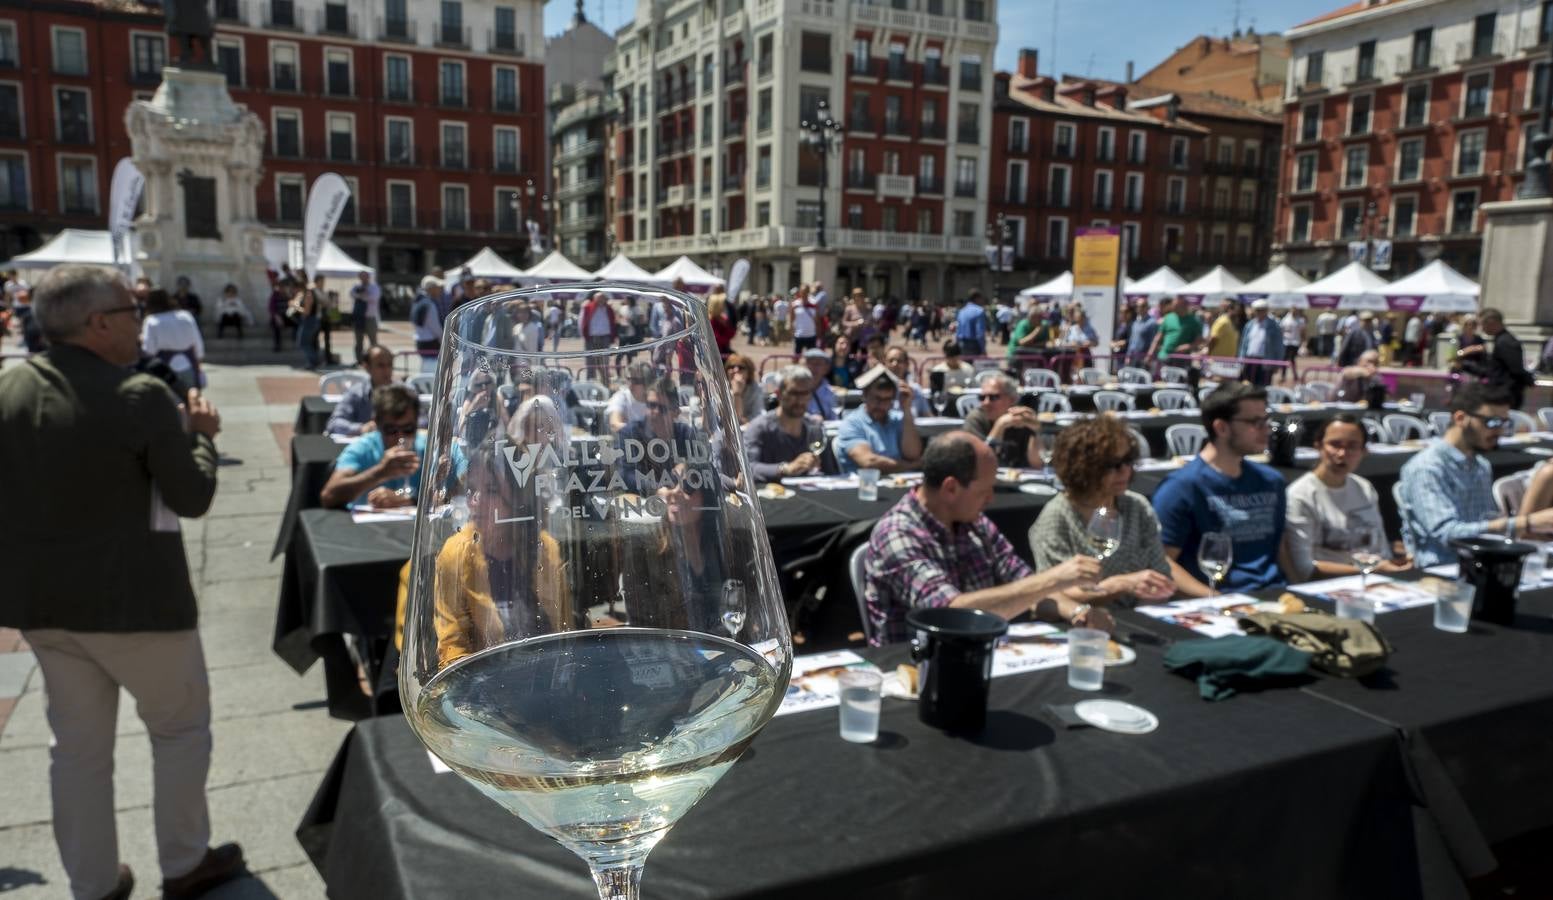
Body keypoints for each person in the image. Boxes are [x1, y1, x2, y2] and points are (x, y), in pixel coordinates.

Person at [0, 265, 244, 900]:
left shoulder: (10, 388)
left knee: (75, 752)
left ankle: (94, 883)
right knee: (180, 731)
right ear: (98, 322)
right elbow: (191, 496)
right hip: (139, 603)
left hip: (45, 605)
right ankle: (186, 863)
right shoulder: (138, 394)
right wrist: (204, 439)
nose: (141, 321)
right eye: (131, 311)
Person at [862, 432, 1109, 645]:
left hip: (980, 653)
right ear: (950, 489)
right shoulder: (897, 534)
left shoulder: (976, 524)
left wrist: (1077, 612)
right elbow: (950, 614)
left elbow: (1024, 586)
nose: (991, 499)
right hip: (917, 667)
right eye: (984, 490)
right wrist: (1054, 578)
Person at [1152, 382, 1291, 595]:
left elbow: (1281, 550)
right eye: (1255, 422)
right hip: (1220, 601)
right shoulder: (1182, 487)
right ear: (1221, 428)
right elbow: (1161, 560)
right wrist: (1215, 599)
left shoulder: (1271, 481)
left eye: (1266, 419)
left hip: (1276, 595)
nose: (1266, 428)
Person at [1398, 382, 1553, 566]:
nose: (1500, 431)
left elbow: (1485, 523)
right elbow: (1446, 534)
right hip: (1442, 569)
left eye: (1504, 422)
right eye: (1492, 422)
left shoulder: (1480, 465)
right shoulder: (1427, 468)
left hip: (1482, 564)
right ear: (1461, 418)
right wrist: (1523, 523)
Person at [1029, 416, 1176, 605]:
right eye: (1113, 465)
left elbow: (1160, 573)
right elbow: (1053, 593)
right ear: (1083, 467)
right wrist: (1117, 586)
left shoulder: (1136, 507)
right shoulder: (1057, 517)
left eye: (1128, 461)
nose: (1125, 470)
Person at [1284, 413, 1408, 581]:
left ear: (1363, 451)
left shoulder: (1364, 488)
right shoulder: (1301, 495)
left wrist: (1396, 563)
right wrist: (1373, 570)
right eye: (1335, 445)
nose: (1342, 454)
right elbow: (1305, 568)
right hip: (1330, 585)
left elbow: (1381, 548)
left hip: (1377, 580)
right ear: (1318, 446)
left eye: (1352, 446)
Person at [321, 384, 424, 509]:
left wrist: (409, 501)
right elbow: (328, 496)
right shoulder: (363, 448)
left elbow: (451, 496)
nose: (400, 437)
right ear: (377, 424)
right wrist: (380, 472)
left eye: (408, 429)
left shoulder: (429, 449)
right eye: (391, 429)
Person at [743, 365, 830, 483]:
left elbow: (830, 471)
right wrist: (786, 469)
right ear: (778, 394)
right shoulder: (759, 428)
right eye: (793, 393)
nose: (800, 400)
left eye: (805, 393)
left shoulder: (814, 427)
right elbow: (747, 469)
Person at [835, 373, 922, 474]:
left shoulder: (899, 419)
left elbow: (912, 454)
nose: (881, 405)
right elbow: (869, 462)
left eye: (887, 400)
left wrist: (906, 409)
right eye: (877, 398)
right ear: (865, 395)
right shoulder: (851, 423)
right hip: (864, 487)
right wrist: (911, 466)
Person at [962, 372, 1044, 468]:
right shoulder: (975, 419)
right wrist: (999, 426)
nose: (986, 403)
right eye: (982, 397)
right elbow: (981, 462)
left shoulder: (1022, 418)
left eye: (993, 397)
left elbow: (1037, 464)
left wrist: (1035, 431)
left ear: (1012, 399)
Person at [1459, 308, 1535, 410]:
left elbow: (1515, 369)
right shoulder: (1502, 340)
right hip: (1503, 394)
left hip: (1506, 395)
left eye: (1482, 324)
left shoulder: (1505, 342)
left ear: (1492, 322)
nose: (1481, 329)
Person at [141, 288, 206, 396]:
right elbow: (198, 343)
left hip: (164, 370)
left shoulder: (151, 321)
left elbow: (148, 350)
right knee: (192, 403)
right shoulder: (185, 316)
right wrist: (199, 364)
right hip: (188, 366)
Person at [325, 344, 398, 437]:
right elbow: (334, 423)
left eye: (390, 365)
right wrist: (361, 428)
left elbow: (421, 421)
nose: (387, 370)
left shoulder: (406, 393)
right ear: (367, 367)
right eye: (381, 365)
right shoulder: (356, 393)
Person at [1238, 299, 1284, 387]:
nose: (1260, 312)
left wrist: (1277, 364)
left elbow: (1279, 346)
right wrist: (1241, 360)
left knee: (1262, 388)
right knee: (1247, 386)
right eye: (1257, 310)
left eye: (1262, 310)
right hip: (1249, 360)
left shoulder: (1274, 325)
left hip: (1265, 362)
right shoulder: (1249, 325)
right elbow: (1244, 344)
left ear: (1266, 310)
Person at [1149, 296, 1200, 366]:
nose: (1173, 308)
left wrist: (1189, 346)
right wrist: (1150, 353)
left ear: (1184, 306)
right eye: (1173, 306)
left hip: (1181, 359)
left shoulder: (1194, 321)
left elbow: (1199, 340)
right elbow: (1158, 337)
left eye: (1176, 306)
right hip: (1164, 356)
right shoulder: (1168, 317)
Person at [883, 345, 931, 417]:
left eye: (899, 361)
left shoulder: (915, 390)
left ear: (906, 365)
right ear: (884, 364)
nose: (895, 364)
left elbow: (928, 417)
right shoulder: (876, 390)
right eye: (891, 360)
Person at [605, 362, 652, 433]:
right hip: (627, 442)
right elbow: (614, 425)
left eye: (636, 381)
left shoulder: (655, 399)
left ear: (646, 382)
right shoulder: (621, 397)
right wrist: (639, 430)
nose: (630, 384)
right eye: (629, 379)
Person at [410, 277, 444, 374]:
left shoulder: (417, 300)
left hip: (420, 340)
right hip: (430, 342)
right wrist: (442, 337)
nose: (439, 290)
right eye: (437, 287)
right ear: (431, 288)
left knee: (425, 367)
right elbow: (434, 326)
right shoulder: (429, 304)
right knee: (431, 370)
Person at [290, 274, 322, 370]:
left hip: (310, 321)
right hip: (309, 321)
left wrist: (295, 307)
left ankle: (313, 362)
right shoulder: (305, 294)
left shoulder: (308, 294)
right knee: (307, 343)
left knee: (303, 343)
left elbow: (307, 311)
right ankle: (313, 362)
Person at [349, 271, 381, 363]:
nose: (363, 278)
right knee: (358, 340)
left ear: (368, 277)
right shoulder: (357, 286)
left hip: (370, 317)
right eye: (361, 276)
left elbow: (374, 298)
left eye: (365, 276)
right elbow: (352, 294)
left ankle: (374, 358)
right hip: (359, 317)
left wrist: (362, 296)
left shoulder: (374, 287)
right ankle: (359, 360)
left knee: (373, 340)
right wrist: (361, 294)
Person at [724, 352, 763, 425]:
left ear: (749, 372)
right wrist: (736, 393)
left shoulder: (755, 388)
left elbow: (757, 415)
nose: (736, 370)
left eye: (741, 367)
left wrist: (737, 393)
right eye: (731, 367)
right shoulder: (721, 388)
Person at [802, 347, 840, 420]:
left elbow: (835, 419)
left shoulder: (831, 393)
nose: (814, 367)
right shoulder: (795, 390)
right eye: (810, 363)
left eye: (818, 364)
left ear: (826, 368)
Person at [955, 292, 988, 358]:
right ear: (977, 298)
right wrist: (983, 349)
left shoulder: (962, 311)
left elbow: (958, 331)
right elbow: (980, 333)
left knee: (964, 366)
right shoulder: (979, 311)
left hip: (962, 343)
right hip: (974, 345)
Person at [267, 278, 292, 352]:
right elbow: (271, 309)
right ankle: (277, 345)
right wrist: (277, 317)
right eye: (281, 287)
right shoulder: (275, 296)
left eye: (284, 287)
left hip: (288, 317)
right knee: (275, 325)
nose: (282, 289)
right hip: (278, 317)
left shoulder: (290, 296)